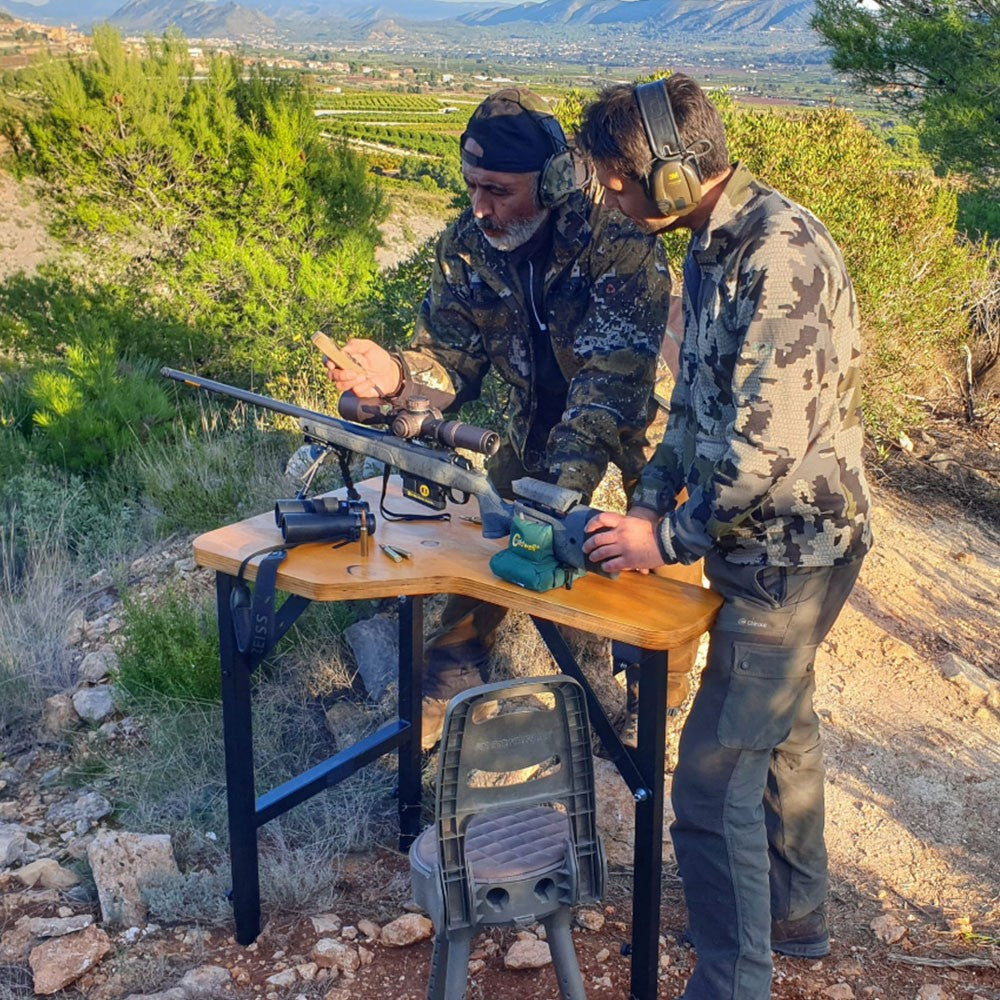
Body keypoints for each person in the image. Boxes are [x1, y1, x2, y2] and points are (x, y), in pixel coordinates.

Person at [576, 75, 873, 1000]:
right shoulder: (712, 246)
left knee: (708, 785)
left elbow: (757, 457)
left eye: (619, 182)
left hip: (793, 551)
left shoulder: (778, 259)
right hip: (765, 542)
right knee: (780, 731)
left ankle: (731, 983)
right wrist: (640, 508)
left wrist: (659, 539)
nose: (611, 199)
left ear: (670, 175)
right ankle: (795, 915)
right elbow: (697, 418)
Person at [326, 88, 673, 749]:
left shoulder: (617, 236)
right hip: (532, 419)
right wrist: (398, 378)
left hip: (637, 421)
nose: (480, 208)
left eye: (498, 191)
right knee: (498, 528)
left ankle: (659, 700)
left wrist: (553, 502)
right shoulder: (465, 245)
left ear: (551, 182)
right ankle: (452, 676)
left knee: (660, 559)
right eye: (471, 187)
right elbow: (448, 363)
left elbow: (606, 392)